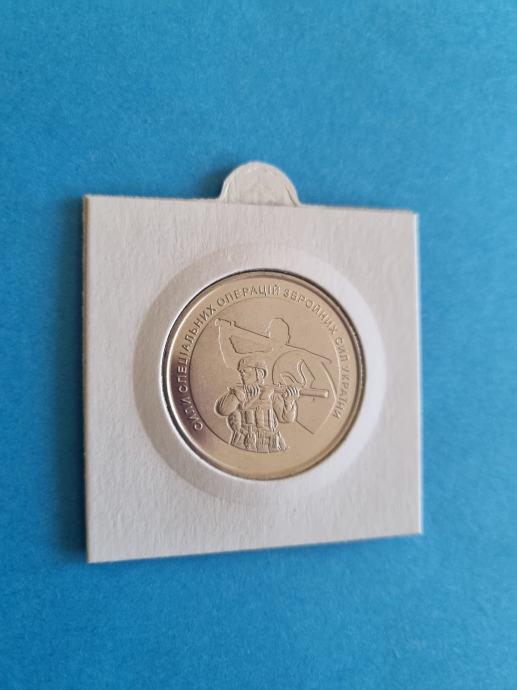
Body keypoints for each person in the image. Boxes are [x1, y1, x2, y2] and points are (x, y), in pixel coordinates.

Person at [215, 357, 299, 453]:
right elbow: (223, 411)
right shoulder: (238, 392)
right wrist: (238, 395)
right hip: (243, 442)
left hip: (268, 443)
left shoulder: (271, 394)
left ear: (259, 373)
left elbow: (286, 419)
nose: (242, 373)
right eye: (241, 371)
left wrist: (289, 401)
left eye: (245, 370)